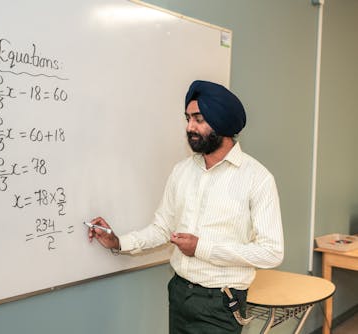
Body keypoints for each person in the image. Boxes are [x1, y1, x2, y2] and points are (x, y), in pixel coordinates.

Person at [87, 80, 284, 334]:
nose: (190, 127)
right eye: (188, 118)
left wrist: (202, 248)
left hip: (222, 304)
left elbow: (271, 252)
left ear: (222, 123)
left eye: (199, 119)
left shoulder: (257, 178)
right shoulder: (181, 172)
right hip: (180, 294)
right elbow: (162, 229)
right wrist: (118, 242)